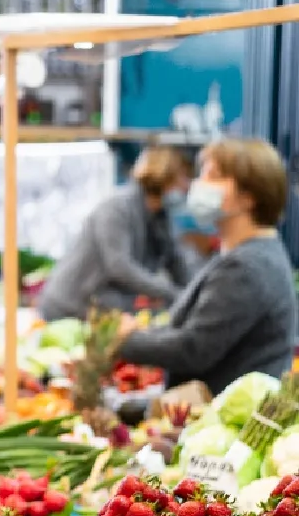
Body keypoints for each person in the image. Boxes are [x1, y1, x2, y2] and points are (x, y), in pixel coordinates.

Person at [118, 138, 297, 395]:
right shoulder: (248, 253)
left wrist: (125, 340)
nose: (198, 184)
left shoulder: (247, 267)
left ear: (247, 198)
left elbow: (194, 349)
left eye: (212, 176)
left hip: (218, 417)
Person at [36, 145, 195, 320]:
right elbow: (119, 267)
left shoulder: (159, 218)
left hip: (104, 310)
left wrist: (192, 295)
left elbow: (175, 261)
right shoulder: (117, 209)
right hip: (68, 308)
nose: (187, 186)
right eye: (184, 177)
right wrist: (170, 292)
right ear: (165, 175)